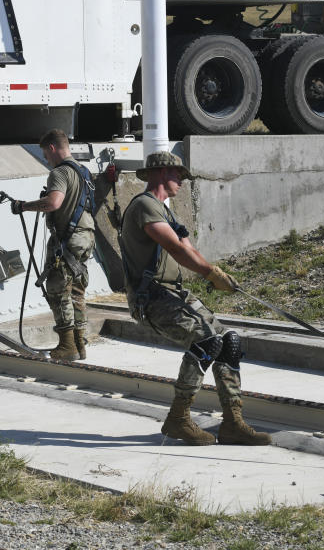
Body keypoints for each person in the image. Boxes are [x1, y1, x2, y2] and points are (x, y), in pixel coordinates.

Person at [119, 151, 271, 446]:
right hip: (152, 298)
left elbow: (189, 249)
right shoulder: (144, 206)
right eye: (178, 174)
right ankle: (178, 418)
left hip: (172, 293)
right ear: (162, 172)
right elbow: (175, 249)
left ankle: (232, 423)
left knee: (228, 341)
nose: (182, 181)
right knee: (206, 341)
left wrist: (216, 274)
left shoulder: (166, 211)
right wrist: (211, 274)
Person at [9, 129, 95, 361]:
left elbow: (54, 202)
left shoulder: (59, 173)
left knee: (58, 290)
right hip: (86, 238)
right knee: (76, 289)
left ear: (52, 149)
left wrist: (24, 206)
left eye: (46, 154)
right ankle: (79, 344)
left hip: (68, 239)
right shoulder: (84, 172)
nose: (46, 159)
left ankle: (67, 346)